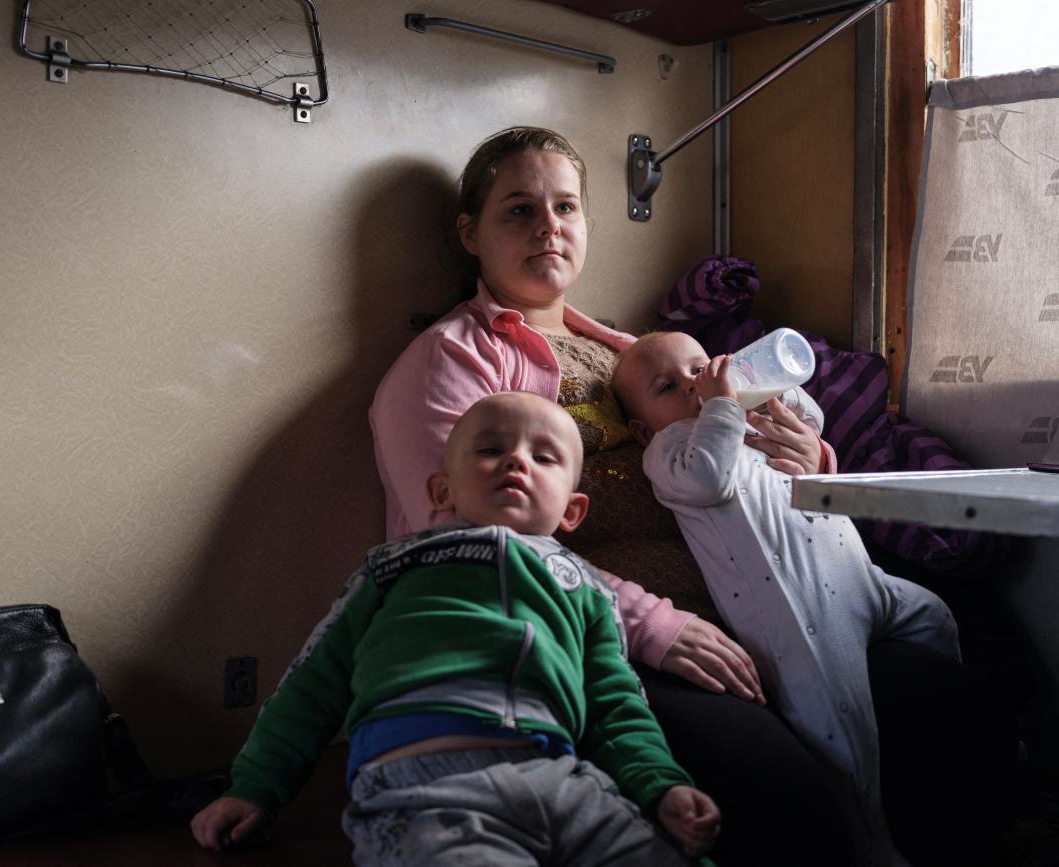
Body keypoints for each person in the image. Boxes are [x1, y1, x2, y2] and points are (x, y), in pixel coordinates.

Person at [370, 126, 1012, 866]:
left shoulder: (636, 350)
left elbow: (741, 448)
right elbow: (463, 540)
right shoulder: (449, 360)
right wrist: (655, 625)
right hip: (609, 644)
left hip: (762, 604)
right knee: (785, 796)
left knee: (963, 712)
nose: (549, 225)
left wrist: (809, 457)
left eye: (566, 207)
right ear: (469, 234)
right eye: (518, 210)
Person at [192, 392, 720, 864]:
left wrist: (661, 786)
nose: (516, 459)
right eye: (491, 449)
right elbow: (311, 683)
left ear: (572, 511)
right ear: (442, 490)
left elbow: (615, 702)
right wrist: (254, 787)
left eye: (543, 457)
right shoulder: (393, 567)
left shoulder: (588, 589)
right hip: (426, 787)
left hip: (564, 780)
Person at [612, 331, 965, 866]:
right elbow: (711, 478)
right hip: (804, 612)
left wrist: (772, 390)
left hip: (861, 577)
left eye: (700, 367)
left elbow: (811, 420)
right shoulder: (671, 452)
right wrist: (722, 407)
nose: (693, 385)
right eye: (668, 386)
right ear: (642, 429)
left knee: (934, 614)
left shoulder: (743, 417)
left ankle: (969, 725)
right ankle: (870, 839)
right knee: (842, 727)